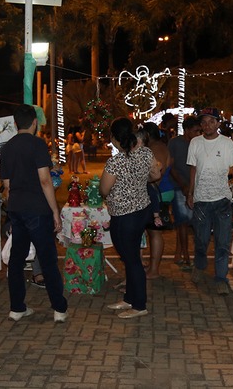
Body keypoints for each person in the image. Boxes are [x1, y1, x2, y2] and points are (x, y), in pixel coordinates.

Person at [0, 104, 68, 323]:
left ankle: (17, 307)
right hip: (37, 210)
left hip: (16, 209)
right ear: (35, 122)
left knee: (17, 260)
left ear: (15, 123)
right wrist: (55, 211)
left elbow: (7, 184)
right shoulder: (38, 145)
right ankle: (59, 308)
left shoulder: (7, 147)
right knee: (48, 260)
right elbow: (45, 180)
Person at [100, 117, 160, 319]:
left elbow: (104, 188)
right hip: (140, 211)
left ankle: (139, 304)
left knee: (132, 259)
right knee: (131, 256)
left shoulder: (116, 162)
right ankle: (130, 298)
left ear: (115, 138)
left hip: (125, 215)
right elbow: (155, 175)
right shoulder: (145, 153)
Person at [187, 107, 233, 296]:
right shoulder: (195, 142)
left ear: (219, 123)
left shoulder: (227, 144)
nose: (207, 125)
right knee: (201, 240)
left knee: (222, 241)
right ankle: (200, 265)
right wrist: (190, 193)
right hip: (201, 200)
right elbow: (193, 169)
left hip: (222, 200)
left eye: (212, 121)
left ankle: (220, 277)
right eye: (204, 122)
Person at [168, 115, 201, 269]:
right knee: (182, 221)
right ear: (186, 130)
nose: (198, 134)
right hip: (178, 186)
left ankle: (182, 252)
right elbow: (171, 166)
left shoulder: (200, 144)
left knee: (192, 221)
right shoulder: (175, 143)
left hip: (196, 187)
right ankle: (185, 254)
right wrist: (182, 184)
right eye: (195, 131)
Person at [141, 122, 171, 279]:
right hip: (162, 191)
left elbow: (157, 173)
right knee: (153, 231)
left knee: (154, 232)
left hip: (158, 192)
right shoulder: (161, 146)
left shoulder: (156, 148)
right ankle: (152, 267)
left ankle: (154, 270)